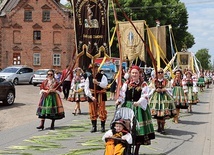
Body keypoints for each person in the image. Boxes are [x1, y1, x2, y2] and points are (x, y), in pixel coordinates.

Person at [116, 65, 155, 155]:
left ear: (139, 74)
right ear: (130, 73)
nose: (134, 74)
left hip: (138, 107)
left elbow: (145, 95)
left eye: (136, 73)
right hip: (128, 107)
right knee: (126, 128)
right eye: (133, 73)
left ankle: (136, 150)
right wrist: (119, 101)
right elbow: (122, 94)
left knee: (138, 130)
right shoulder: (126, 83)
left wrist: (139, 102)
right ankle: (127, 148)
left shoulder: (143, 84)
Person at [149, 68, 176, 134]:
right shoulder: (153, 81)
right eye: (158, 72)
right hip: (156, 97)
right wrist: (155, 90)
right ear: (156, 73)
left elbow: (170, 88)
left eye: (161, 72)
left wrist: (165, 89)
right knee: (157, 113)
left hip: (164, 97)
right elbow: (150, 88)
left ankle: (163, 127)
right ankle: (158, 127)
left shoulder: (166, 81)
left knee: (163, 113)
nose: (160, 74)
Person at [84, 63, 108, 133]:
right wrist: (91, 97)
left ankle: (102, 126)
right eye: (93, 68)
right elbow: (86, 88)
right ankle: (94, 126)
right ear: (91, 69)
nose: (94, 70)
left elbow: (105, 85)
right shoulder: (89, 78)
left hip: (100, 94)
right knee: (92, 110)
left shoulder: (102, 76)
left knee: (102, 110)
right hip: (92, 95)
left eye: (96, 68)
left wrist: (97, 83)